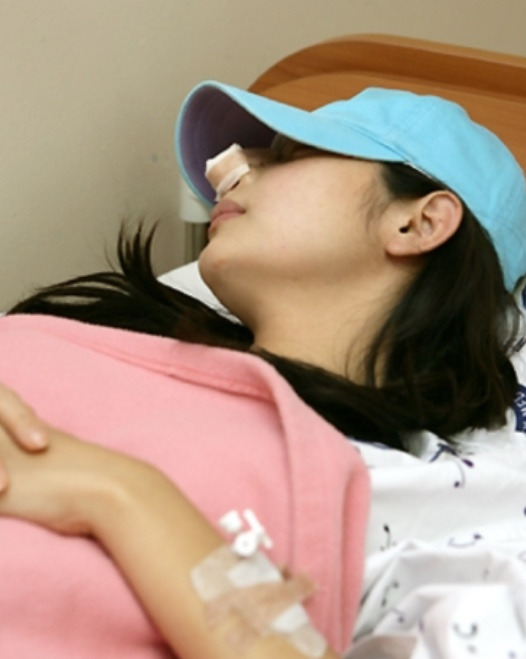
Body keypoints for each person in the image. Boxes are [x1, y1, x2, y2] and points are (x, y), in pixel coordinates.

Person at [0, 83, 524, 658]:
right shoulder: (97, 335)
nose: (227, 171)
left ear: (418, 224)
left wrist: (120, 493)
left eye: (290, 155)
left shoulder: (406, 508)